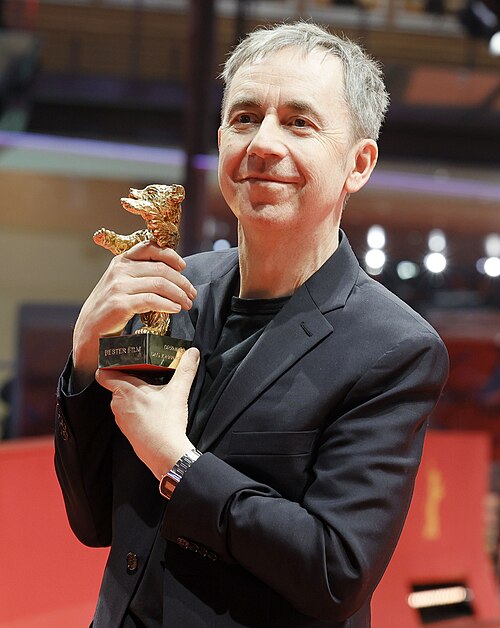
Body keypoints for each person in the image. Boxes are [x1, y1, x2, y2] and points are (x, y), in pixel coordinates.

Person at [55, 22, 449, 628]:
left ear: (358, 163)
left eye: (299, 122)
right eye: (244, 118)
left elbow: (335, 573)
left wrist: (176, 462)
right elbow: (95, 521)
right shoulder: (171, 289)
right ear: (221, 141)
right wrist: (85, 356)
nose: (262, 143)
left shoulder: (395, 348)